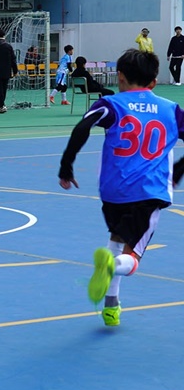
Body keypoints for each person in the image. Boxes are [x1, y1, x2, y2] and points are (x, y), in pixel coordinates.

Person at [58, 49, 184, 327]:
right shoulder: (171, 110)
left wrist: (66, 166)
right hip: (148, 192)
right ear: (154, 81)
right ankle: (112, 267)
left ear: (120, 77)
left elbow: (82, 128)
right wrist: (178, 171)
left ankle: (111, 306)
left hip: (113, 192)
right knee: (132, 257)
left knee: (116, 240)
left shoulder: (111, 104)